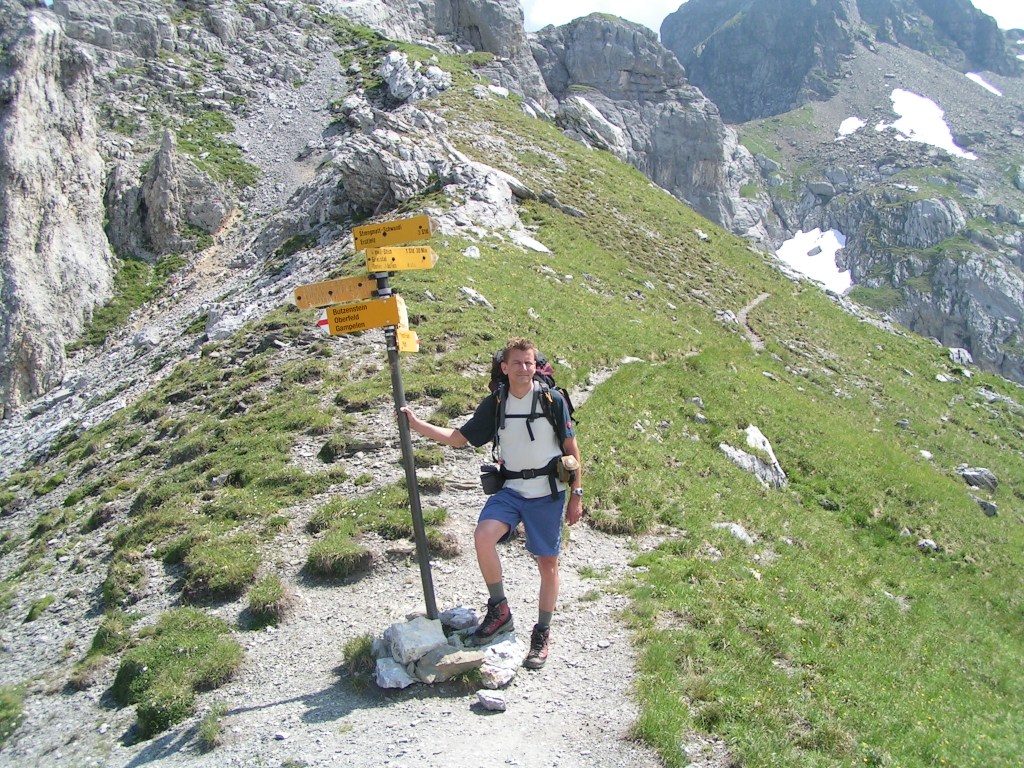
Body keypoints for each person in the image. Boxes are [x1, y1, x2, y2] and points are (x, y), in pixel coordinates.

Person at [400, 337, 583, 670]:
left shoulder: (552, 400)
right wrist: (416, 425)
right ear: (505, 367)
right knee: (483, 536)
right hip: (511, 490)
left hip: (548, 493)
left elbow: (572, 450)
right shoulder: (497, 402)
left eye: (529, 363)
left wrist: (577, 495)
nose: (524, 368)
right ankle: (500, 610)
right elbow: (458, 438)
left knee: (548, 565)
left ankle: (542, 633)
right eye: (517, 363)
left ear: (535, 366)